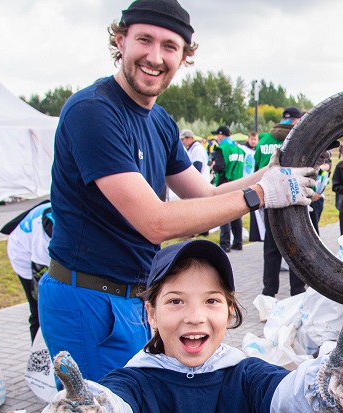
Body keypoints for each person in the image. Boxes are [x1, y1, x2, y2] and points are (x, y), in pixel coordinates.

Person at [40, 0, 316, 383]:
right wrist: (259, 196)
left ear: (184, 56)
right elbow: (154, 222)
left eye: (169, 46)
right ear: (120, 41)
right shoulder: (93, 111)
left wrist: (263, 177)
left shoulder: (160, 121)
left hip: (135, 299)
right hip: (88, 299)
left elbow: (203, 195)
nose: (155, 57)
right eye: (144, 40)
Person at [38, 240, 343, 413]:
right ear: (151, 315)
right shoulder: (134, 384)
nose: (195, 317)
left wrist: (328, 387)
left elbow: (286, 403)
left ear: (230, 310)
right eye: (175, 301)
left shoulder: (246, 376)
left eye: (211, 301)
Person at [254, 106, 308, 297]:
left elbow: (255, 170)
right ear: (296, 121)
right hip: (293, 201)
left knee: (271, 248)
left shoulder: (264, 140)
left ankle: (268, 293)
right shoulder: (298, 139)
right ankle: (298, 292)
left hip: (269, 200)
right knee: (298, 246)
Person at [3, 201, 53, 343]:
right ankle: (38, 360)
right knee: (39, 308)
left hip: (41, 247)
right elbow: (42, 270)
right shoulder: (47, 232)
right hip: (23, 253)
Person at [210, 125, 246, 252]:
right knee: (237, 213)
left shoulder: (222, 148)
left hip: (225, 183)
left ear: (221, 135)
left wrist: (213, 166)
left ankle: (225, 244)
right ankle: (238, 242)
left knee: (224, 213)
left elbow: (220, 166)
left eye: (217, 135)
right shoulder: (239, 149)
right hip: (238, 182)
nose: (216, 137)